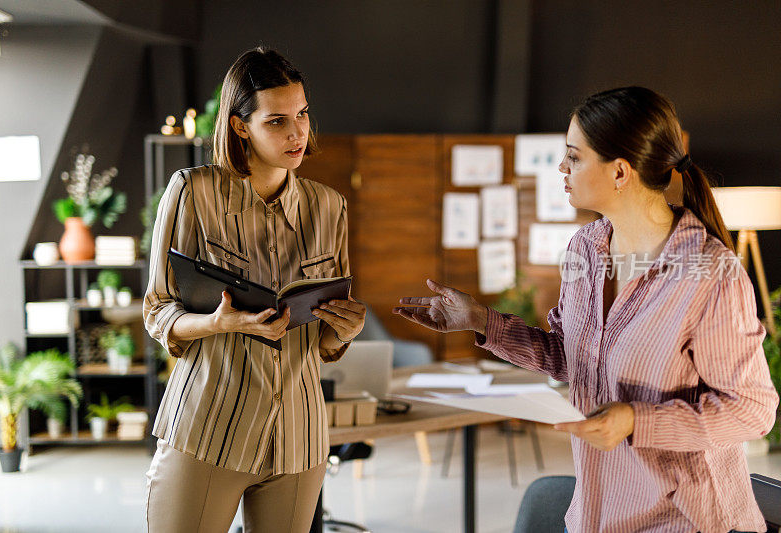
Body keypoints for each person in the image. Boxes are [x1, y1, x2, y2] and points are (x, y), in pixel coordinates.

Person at [394, 87, 778, 532]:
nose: (562, 168)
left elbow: (751, 409)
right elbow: (570, 356)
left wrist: (636, 420)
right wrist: (480, 321)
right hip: (597, 513)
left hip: (686, 520)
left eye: (574, 157)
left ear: (619, 172)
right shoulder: (585, 250)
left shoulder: (711, 273)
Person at [143, 47, 365, 533]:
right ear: (240, 125)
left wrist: (342, 330)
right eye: (277, 121)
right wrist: (216, 324)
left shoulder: (330, 207)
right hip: (209, 428)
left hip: (298, 436)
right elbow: (158, 310)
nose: (298, 132)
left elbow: (325, 338)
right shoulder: (192, 192)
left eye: (303, 114)